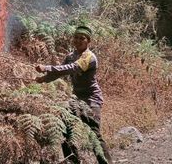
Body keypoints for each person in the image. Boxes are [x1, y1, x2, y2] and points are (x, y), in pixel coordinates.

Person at [34, 25, 113, 164]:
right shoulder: (70, 56)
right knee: (65, 129)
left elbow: (72, 68)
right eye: (76, 37)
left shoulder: (90, 57)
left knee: (94, 135)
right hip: (76, 100)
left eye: (82, 38)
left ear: (88, 41)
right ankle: (73, 161)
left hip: (91, 100)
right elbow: (60, 72)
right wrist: (44, 79)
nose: (78, 40)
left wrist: (46, 67)